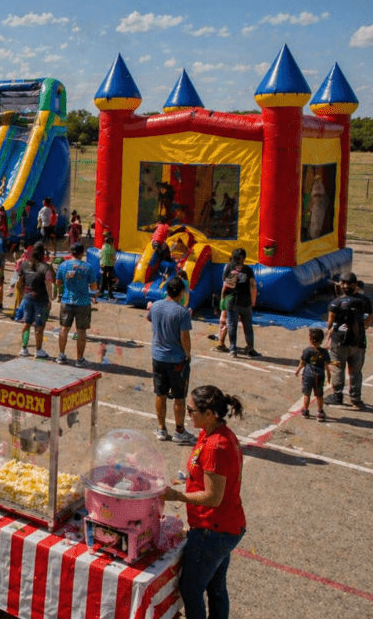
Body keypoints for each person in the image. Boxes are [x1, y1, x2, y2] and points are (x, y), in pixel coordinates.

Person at [162, 386, 246, 619]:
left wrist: (176, 496)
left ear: (209, 414)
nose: (187, 415)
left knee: (191, 589)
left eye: (191, 411)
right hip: (226, 525)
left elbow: (213, 497)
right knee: (215, 586)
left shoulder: (216, 446)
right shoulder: (211, 433)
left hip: (213, 530)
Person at [148, 276, 196, 444]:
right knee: (179, 397)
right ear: (182, 292)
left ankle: (161, 428)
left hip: (158, 357)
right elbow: (185, 338)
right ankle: (179, 431)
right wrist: (188, 354)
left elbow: (151, 319)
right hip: (177, 360)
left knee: (160, 394)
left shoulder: (155, 306)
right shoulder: (182, 312)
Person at [324, 272, 373, 410]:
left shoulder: (336, 303)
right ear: (355, 285)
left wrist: (329, 332)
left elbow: (330, 321)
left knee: (338, 368)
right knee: (356, 371)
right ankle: (355, 400)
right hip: (358, 342)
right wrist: (361, 326)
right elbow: (369, 318)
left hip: (339, 341)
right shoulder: (364, 300)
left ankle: (337, 396)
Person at [55, 243, 98, 366]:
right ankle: (80, 359)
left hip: (66, 301)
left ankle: (61, 355)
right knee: (81, 332)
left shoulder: (63, 265)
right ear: (81, 253)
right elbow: (94, 286)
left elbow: (58, 282)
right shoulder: (88, 267)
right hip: (83, 303)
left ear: (71, 252)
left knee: (64, 329)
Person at [16, 242, 56, 358]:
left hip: (27, 298)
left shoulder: (24, 265)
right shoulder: (46, 267)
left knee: (27, 324)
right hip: (41, 299)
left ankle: (24, 348)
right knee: (39, 326)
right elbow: (50, 283)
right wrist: (51, 299)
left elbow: (20, 283)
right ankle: (38, 351)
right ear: (43, 253)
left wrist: (22, 299)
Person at [221, 248, 259, 358]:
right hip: (245, 301)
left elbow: (225, 283)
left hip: (232, 301)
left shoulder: (229, 267)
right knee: (247, 325)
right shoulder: (248, 270)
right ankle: (250, 349)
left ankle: (233, 350)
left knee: (232, 325)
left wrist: (223, 297)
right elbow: (253, 285)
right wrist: (253, 300)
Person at [295, 328, 330, 421]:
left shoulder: (307, 351)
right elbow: (327, 365)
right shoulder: (324, 352)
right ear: (322, 340)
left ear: (310, 339)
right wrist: (329, 376)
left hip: (308, 375)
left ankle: (305, 411)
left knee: (307, 394)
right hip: (319, 376)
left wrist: (297, 370)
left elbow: (302, 363)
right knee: (319, 395)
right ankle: (320, 412)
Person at [98, 232, 117, 300]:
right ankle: (110, 294)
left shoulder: (103, 247)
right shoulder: (111, 248)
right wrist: (115, 259)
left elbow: (100, 256)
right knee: (109, 280)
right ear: (111, 242)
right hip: (109, 266)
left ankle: (100, 292)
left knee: (103, 279)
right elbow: (113, 257)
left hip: (103, 265)